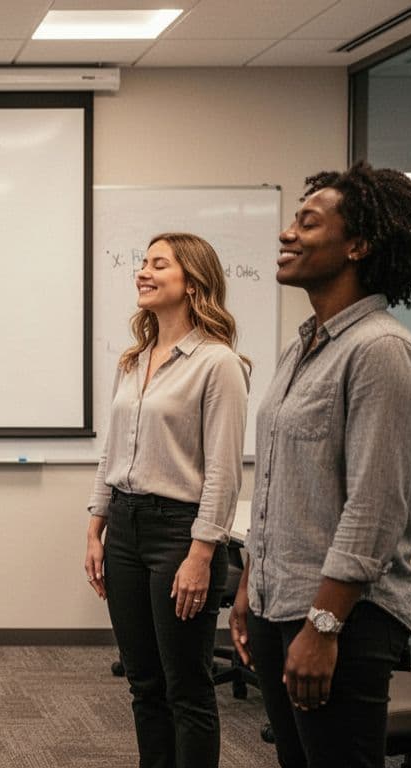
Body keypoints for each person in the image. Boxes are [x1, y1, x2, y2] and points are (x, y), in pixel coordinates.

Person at [229, 162, 411, 768]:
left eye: (307, 222)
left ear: (358, 244)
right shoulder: (304, 346)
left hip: (343, 621)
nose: (286, 234)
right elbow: (279, 481)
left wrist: (324, 626)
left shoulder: (381, 351)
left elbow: (374, 509)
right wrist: (250, 583)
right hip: (281, 603)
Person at [84, 232, 250, 768]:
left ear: (192, 281)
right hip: (125, 530)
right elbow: (112, 451)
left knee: (188, 689)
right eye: (142, 263)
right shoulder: (134, 360)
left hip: (180, 534)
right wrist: (96, 524)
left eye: (159, 264)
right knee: (143, 684)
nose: (143, 272)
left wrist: (204, 555)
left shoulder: (217, 363)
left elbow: (224, 472)